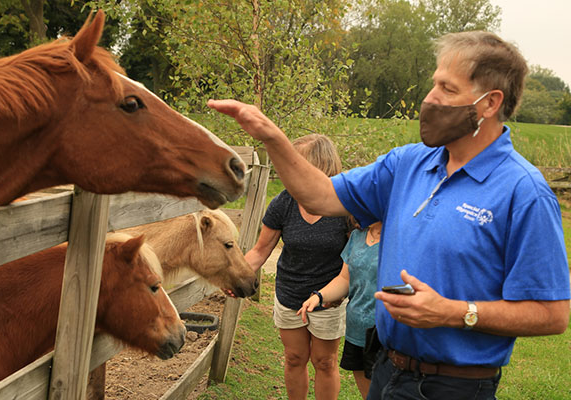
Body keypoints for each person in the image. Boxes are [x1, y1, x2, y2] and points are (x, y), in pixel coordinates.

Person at [208, 30, 570, 400]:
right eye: (433, 85)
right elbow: (320, 195)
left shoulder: (523, 192)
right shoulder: (408, 163)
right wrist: (272, 136)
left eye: (447, 88)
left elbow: (553, 314)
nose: (430, 99)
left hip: (455, 386)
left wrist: (454, 312)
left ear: (489, 103)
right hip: (385, 369)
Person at [244, 134, 351, 400]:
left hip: (329, 299)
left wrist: (332, 294)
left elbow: (354, 260)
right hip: (290, 294)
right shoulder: (284, 202)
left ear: (319, 165)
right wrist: (235, 274)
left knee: (324, 362)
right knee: (294, 358)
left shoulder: (343, 205)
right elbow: (259, 251)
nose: (287, 168)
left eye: (295, 162)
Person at [298, 221, 382, 398]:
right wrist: (319, 296)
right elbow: (344, 279)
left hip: (385, 334)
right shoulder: (357, 237)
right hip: (357, 332)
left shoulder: (397, 236)